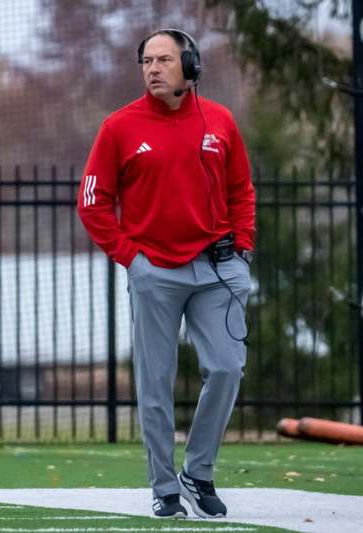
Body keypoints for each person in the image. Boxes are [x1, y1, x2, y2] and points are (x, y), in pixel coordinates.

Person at [77, 29, 255, 519]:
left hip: (217, 270)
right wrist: (132, 260)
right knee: (155, 383)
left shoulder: (219, 121)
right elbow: (92, 204)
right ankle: (163, 486)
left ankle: (198, 474)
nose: (153, 69)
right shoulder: (119, 127)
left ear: (190, 65)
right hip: (153, 270)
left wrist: (243, 251)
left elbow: (242, 190)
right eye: (146, 61)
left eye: (163, 60)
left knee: (226, 368)